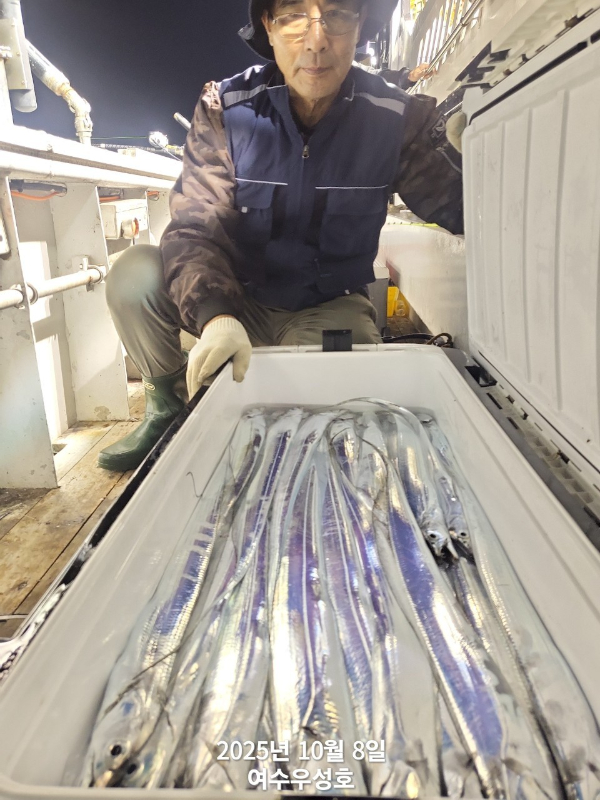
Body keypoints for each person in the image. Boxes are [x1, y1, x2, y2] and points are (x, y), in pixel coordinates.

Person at [98, 0, 464, 472]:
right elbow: (195, 223)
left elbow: (464, 207)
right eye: (293, 16)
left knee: (333, 424)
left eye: (337, 14)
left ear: (359, 26)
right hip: (236, 296)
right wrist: (216, 314)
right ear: (268, 27)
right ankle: (165, 406)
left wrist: (482, 158)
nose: (317, 40)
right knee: (134, 275)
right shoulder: (225, 108)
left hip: (326, 304)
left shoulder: (397, 118)